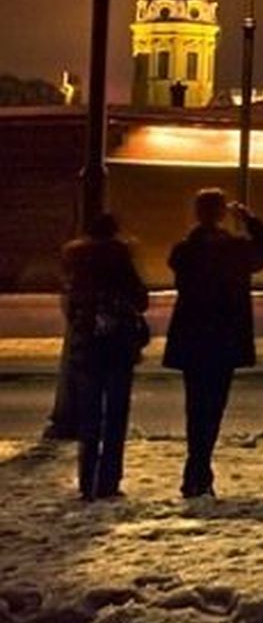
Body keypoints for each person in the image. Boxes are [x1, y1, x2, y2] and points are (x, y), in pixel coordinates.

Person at [163, 188, 263, 499]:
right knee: (214, 407)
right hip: (224, 338)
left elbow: (179, 267)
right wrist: (249, 219)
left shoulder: (184, 251)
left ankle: (196, 471)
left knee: (195, 407)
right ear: (222, 214)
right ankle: (199, 471)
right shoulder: (235, 251)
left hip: (193, 338)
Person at [61, 212, 149, 501]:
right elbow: (140, 299)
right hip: (118, 346)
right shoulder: (120, 256)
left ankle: (87, 481)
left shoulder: (74, 261)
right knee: (115, 415)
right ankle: (109, 481)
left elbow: (70, 306)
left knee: (89, 416)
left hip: (87, 346)